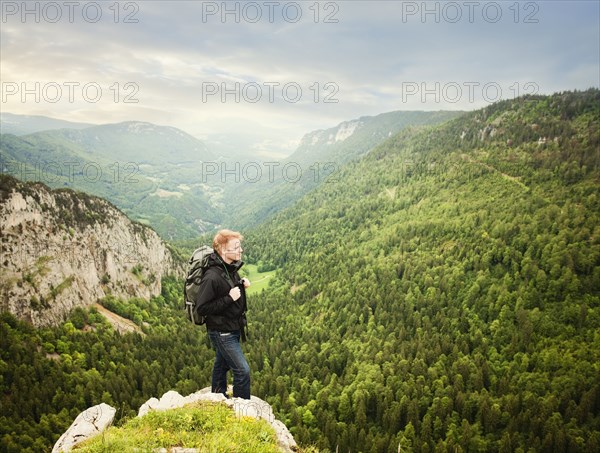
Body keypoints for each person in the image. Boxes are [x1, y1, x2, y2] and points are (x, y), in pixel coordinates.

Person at [196, 229, 251, 399]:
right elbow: (202, 308)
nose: (240, 250)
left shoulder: (229, 268)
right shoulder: (211, 276)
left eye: (240, 246)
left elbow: (229, 287)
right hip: (222, 332)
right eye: (236, 247)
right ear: (222, 249)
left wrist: (241, 284)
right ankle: (242, 410)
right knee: (242, 371)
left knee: (222, 365)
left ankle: (217, 396)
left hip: (232, 327)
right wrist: (229, 298)